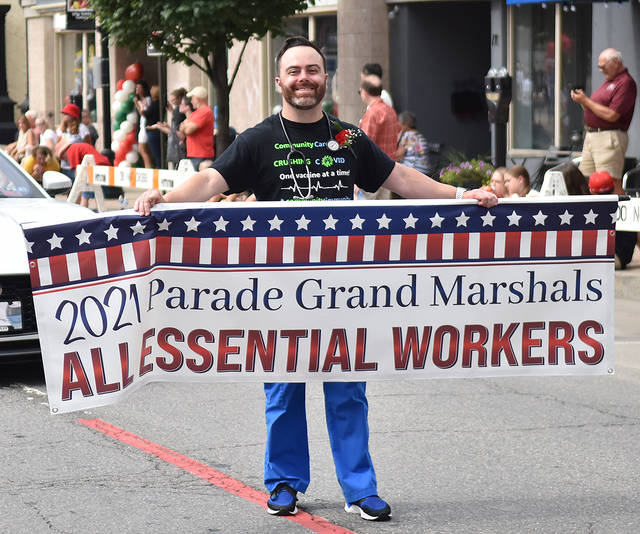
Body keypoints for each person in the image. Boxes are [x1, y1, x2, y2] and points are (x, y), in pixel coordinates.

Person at [134, 35, 497, 522]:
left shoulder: (347, 137)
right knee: (283, 389)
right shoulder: (259, 139)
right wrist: (167, 200)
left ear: (324, 79)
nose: (304, 79)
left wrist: (461, 197)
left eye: (313, 70)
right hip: (278, 293)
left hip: (342, 290)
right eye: (295, 72)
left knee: (347, 389)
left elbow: (401, 180)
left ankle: (359, 488)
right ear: (279, 80)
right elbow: (210, 182)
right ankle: (284, 483)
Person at [570, 48, 637, 195]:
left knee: (610, 182)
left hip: (608, 137)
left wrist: (586, 100)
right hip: (592, 135)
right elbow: (596, 110)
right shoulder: (608, 82)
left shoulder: (625, 82)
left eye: (603, 66)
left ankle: (617, 216)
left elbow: (613, 115)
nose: (601, 70)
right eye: (599, 67)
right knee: (585, 180)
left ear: (616, 62)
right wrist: (583, 101)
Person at [358, 75, 401, 200]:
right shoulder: (390, 111)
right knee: (383, 214)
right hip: (389, 171)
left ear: (364, 92)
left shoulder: (372, 113)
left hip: (371, 173)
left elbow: (362, 146)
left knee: (365, 215)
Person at [589, 170, 637, 269]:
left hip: (611, 260)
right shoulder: (627, 208)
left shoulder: (589, 211)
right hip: (621, 258)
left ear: (591, 191)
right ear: (613, 187)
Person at [57, 141, 113, 208]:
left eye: (63, 158)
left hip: (95, 166)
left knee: (84, 193)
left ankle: (82, 211)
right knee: (97, 191)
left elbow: (78, 174)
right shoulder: (78, 146)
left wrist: (76, 192)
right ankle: (98, 209)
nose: (66, 160)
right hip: (103, 164)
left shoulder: (71, 151)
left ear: (63, 152)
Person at [147, 87, 187, 169]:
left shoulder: (179, 110)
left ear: (180, 98)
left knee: (178, 164)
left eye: (173, 100)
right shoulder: (177, 110)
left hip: (178, 143)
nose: (172, 102)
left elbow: (176, 128)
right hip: (177, 139)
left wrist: (165, 127)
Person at [179, 86, 214, 171]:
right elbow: (181, 127)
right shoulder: (196, 113)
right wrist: (185, 127)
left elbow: (188, 130)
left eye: (193, 98)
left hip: (202, 155)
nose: (191, 101)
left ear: (198, 99)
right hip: (195, 154)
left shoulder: (205, 111)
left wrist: (185, 126)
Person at [396, 111, 429, 175]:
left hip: (413, 170)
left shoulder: (407, 135)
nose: (397, 124)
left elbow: (398, 156)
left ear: (405, 125)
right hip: (425, 171)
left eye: (399, 122)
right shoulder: (420, 136)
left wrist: (398, 137)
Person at [134, 80, 155, 168]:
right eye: (136, 88)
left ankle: (149, 167)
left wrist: (138, 104)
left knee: (142, 149)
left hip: (145, 125)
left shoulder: (148, 99)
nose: (137, 90)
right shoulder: (140, 99)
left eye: (139, 88)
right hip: (141, 125)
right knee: (142, 149)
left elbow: (144, 112)